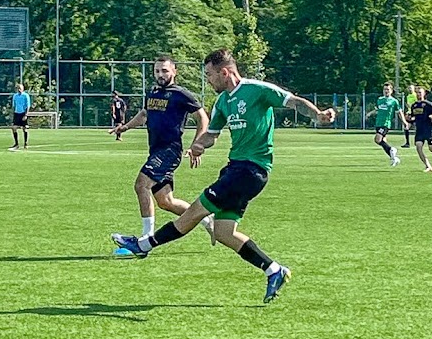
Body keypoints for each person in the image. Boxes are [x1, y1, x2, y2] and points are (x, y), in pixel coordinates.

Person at [112, 49, 335, 304]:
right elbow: (212, 134)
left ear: (224, 72)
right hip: (234, 168)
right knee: (224, 232)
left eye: (209, 75)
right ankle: (274, 270)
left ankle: (143, 245)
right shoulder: (222, 102)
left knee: (194, 212)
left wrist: (317, 115)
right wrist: (199, 145)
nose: (207, 80)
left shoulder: (257, 90)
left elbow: (293, 101)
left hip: (251, 169)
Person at [109, 56, 214, 240]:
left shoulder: (181, 94)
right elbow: (144, 114)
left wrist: (197, 144)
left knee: (141, 185)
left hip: (169, 150)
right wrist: (125, 127)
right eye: (157, 71)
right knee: (166, 202)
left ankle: (146, 238)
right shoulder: (153, 92)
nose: (160, 74)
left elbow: (202, 117)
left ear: (174, 71)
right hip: (156, 150)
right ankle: (207, 220)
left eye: (165, 70)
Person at [371, 82, 408, 166]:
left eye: (388, 89)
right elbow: (377, 109)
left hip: (385, 123)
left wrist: (404, 122)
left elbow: (399, 112)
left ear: (391, 91)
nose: (386, 91)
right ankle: (394, 158)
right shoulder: (380, 99)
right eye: (384, 89)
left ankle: (392, 149)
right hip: (378, 123)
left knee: (377, 139)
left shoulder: (394, 101)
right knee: (383, 141)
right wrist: (369, 114)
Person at [9, 83, 31, 150]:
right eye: (18, 88)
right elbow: (14, 105)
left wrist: (26, 115)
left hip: (23, 113)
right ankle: (16, 144)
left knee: (25, 129)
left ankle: (25, 143)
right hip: (17, 113)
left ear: (23, 89)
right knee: (14, 128)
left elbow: (28, 105)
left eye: (20, 88)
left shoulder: (25, 95)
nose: (19, 90)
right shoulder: (15, 96)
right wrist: (13, 114)